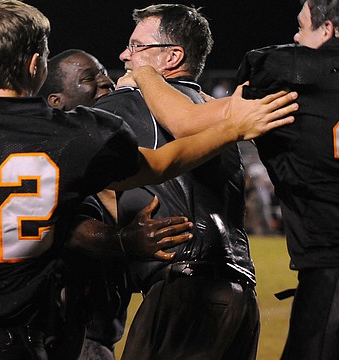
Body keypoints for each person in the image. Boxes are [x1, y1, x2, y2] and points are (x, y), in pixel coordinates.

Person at [0, 1, 298, 359]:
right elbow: (161, 163)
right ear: (36, 63)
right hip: (20, 334)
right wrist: (233, 125)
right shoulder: (72, 133)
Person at [127, 0, 339, 358]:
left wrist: (144, 74)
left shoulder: (291, 70)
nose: (294, 36)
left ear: (327, 31)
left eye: (301, 26)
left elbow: (185, 123)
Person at [94, 4, 266, 359]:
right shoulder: (219, 109)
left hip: (184, 292)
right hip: (243, 295)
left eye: (137, 46)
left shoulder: (128, 102)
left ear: (172, 56)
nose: (125, 55)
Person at [38, 49, 130, 360]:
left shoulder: (107, 159)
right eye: (89, 78)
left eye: (105, 73)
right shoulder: (53, 160)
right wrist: (126, 240)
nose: (107, 82)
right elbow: (75, 229)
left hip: (96, 334)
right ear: (56, 102)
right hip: (67, 337)